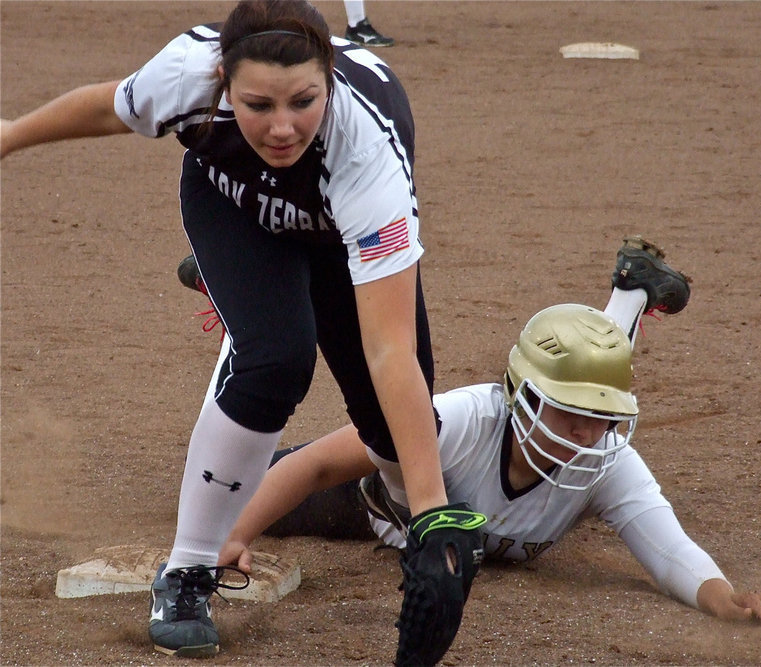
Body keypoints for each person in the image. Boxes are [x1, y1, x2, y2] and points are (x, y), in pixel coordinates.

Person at [0, 1, 485, 660]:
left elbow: (389, 347)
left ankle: (400, 506)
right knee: (275, 358)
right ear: (223, 80)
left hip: (336, 235)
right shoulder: (187, 74)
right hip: (235, 207)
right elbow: (108, 108)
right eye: (258, 104)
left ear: (330, 76)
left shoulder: (367, 144)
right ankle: (188, 571)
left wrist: (429, 509)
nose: (283, 127)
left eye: (303, 102)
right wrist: (10, 135)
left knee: (391, 423)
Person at [212, 238, 761, 633]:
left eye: (604, 418)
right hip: (374, 503)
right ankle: (242, 285)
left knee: (591, 372)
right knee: (229, 484)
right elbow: (316, 464)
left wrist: (725, 599)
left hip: (503, 442)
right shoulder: (463, 421)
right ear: (521, 398)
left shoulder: (605, 454)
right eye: (563, 413)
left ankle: (632, 293)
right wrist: (232, 534)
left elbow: (671, 554)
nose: (587, 433)